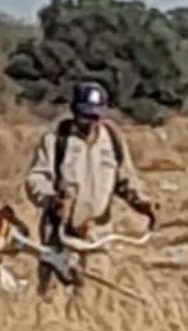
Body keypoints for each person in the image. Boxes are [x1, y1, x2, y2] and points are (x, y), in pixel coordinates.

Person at [24, 81, 157, 299]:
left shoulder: (112, 140)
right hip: (61, 235)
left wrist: (142, 202)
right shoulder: (57, 140)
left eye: (96, 117)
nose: (91, 122)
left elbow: (125, 179)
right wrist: (51, 200)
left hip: (98, 235)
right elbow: (36, 179)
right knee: (54, 300)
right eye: (86, 116)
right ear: (75, 112)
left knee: (93, 300)